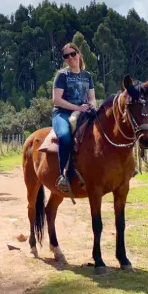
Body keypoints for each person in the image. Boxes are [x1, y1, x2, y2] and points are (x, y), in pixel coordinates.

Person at [51, 42, 96, 194]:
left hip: (83, 113)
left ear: (79, 54)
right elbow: (56, 100)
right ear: (64, 60)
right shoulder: (62, 75)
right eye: (66, 56)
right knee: (65, 137)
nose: (70, 58)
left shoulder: (87, 76)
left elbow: (92, 98)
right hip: (62, 114)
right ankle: (63, 176)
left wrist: (91, 107)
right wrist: (77, 108)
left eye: (73, 54)